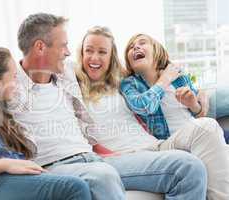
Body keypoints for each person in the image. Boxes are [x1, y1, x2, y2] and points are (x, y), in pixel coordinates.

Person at [0, 13, 126, 200]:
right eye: (63, 45)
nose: (68, 52)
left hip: (66, 161)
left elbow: (106, 67)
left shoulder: (65, 72)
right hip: (9, 177)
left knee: (148, 166)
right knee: (85, 183)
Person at [80, 31, 228, 199]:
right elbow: (144, 107)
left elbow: (199, 109)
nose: (135, 46)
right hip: (151, 147)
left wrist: (196, 99)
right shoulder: (129, 83)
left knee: (209, 125)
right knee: (198, 150)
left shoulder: (175, 78)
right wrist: (165, 79)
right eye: (89, 51)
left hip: (165, 142)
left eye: (142, 42)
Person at [0, 44, 92, 200]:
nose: (17, 85)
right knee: (75, 187)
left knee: (72, 185)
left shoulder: (4, 112)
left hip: (17, 180)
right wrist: (7, 164)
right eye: (14, 77)